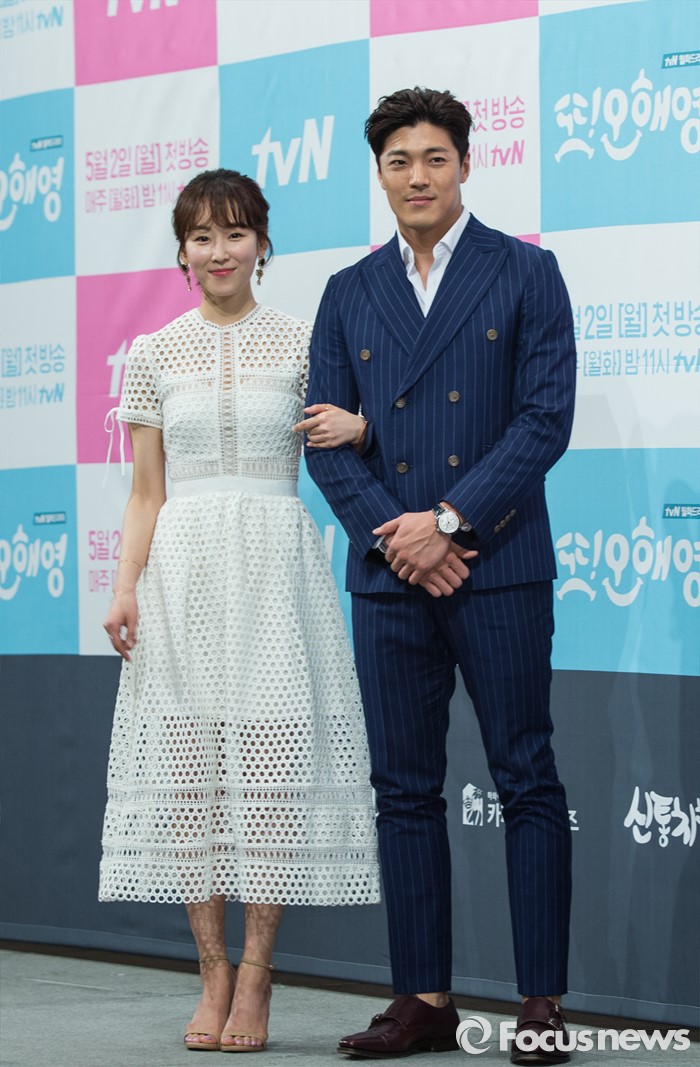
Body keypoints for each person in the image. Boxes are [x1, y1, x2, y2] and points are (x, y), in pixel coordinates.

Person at [304, 88, 576, 1062]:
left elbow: (543, 419)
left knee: (526, 777)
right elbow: (323, 437)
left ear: (465, 162)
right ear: (379, 173)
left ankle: (541, 1003)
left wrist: (448, 522)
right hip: (390, 577)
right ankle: (421, 997)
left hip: (497, 563)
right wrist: (399, 538)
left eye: (433, 158)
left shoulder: (526, 271)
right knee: (404, 789)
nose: (417, 176)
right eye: (398, 161)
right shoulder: (348, 290)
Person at [100, 168, 380, 1054]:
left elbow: (351, 439)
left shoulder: (304, 343)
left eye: (235, 233)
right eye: (201, 236)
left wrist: (364, 428)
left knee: (269, 781)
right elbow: (146, 492)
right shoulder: (153, 352)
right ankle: (212, 971)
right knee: (188, 780)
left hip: (274, 575)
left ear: (263, 242)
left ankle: (257, 975)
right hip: (180, 576)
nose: (218, 251)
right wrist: (124, 584)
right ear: (181, 252)